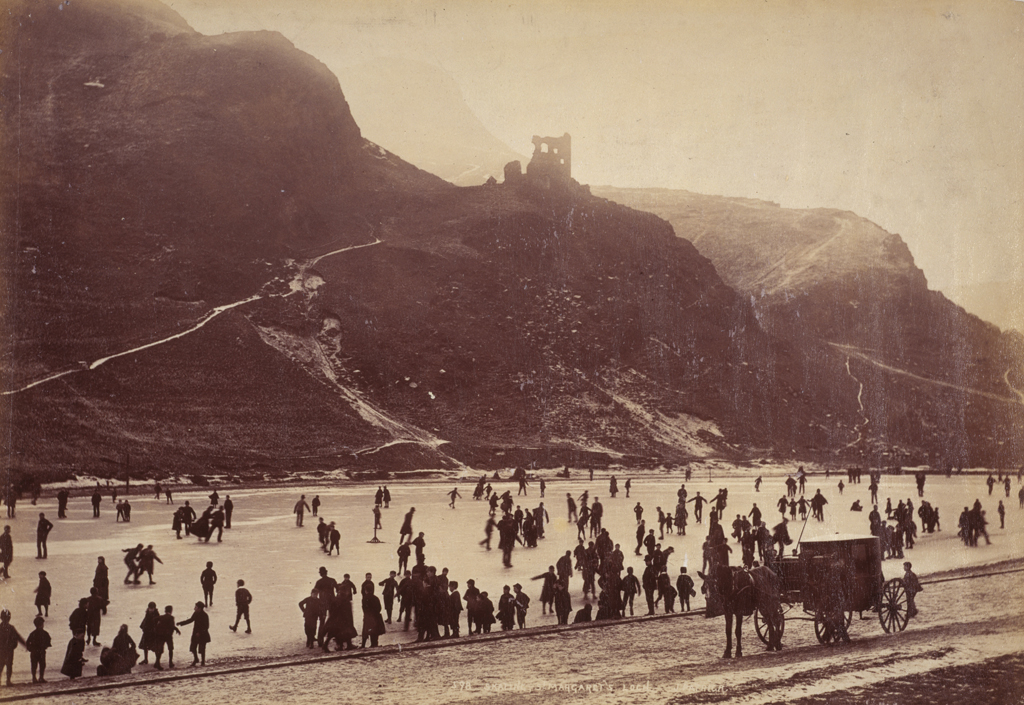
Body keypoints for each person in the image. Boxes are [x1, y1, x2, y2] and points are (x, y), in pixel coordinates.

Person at [178, 602, 210, 666]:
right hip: (196, 633)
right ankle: (196, 659)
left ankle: (202, 661)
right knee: (193, 647)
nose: (194, 608)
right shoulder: (196, 613)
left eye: (195, 607)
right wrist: (181, 623)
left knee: (202, 648)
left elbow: (206, 626)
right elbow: (191, 620)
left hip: (203, 634)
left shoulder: (205, 615)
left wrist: (200, 633)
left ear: (199, 608)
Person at [0, 610, 25, 685]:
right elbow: (18, 637)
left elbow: (17, 637)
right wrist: (25, 644)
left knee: (2, 665)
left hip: (4, 650)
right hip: (8, 650)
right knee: (8, 665)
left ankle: (7, 680)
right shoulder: (11, 628)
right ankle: (8, 680)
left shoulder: (3, 628)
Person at [26, 616, 50, 683]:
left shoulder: (33, 633)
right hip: (40, 651)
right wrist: (46, 646)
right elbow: (48, 641)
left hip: (35, 652)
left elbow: (28, 642)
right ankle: (39, 677)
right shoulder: (44, 633)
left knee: (36, 665)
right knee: (40, 665)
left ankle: (36, 678)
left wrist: (30, 648)